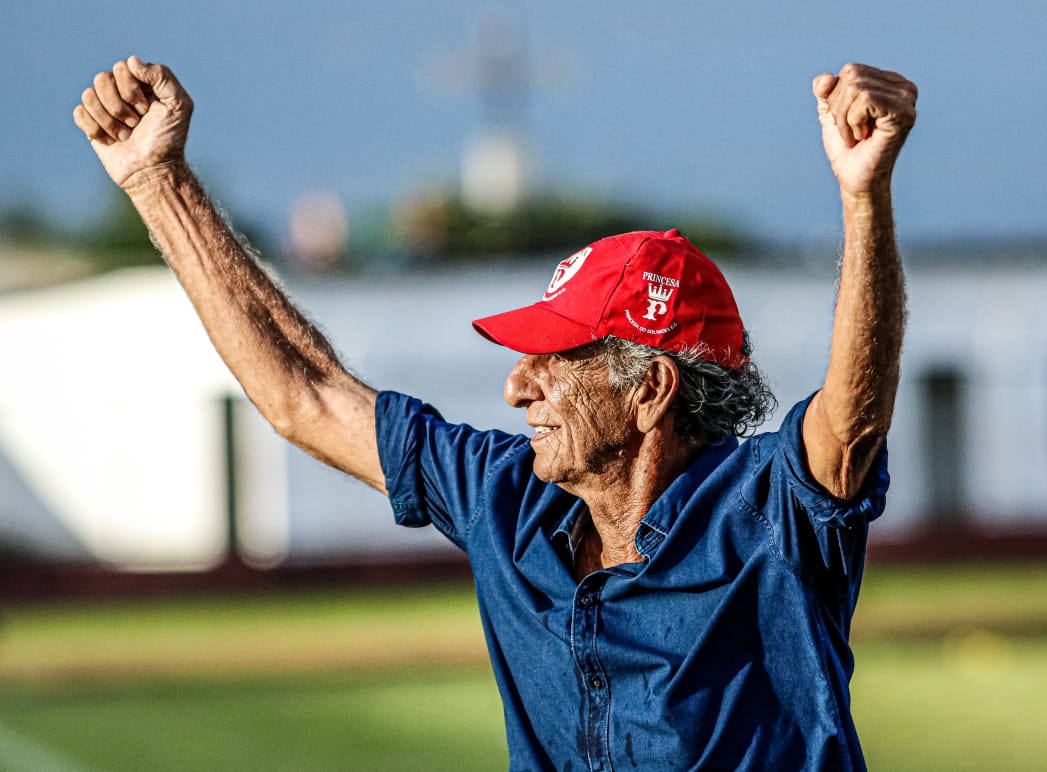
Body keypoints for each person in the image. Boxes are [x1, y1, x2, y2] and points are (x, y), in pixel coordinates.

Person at [74, 55, 916, 770]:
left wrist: (862, 198)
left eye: (556, 359)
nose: (518, 388)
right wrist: (158, 182)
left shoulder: (766, 508)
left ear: (651, 390)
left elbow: (852, 420)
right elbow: (307, 396)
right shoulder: (506, 498)